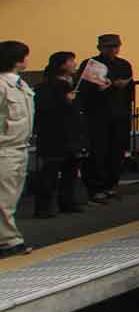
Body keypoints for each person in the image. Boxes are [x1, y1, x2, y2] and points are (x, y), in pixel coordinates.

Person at [29, 53, 87, 217]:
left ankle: (67, 201)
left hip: (73, 134)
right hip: (54, 134)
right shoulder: (46, 87)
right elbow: (44, 109)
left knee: (71, 170)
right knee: (50, 172)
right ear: (62, 66)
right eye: (71, 62)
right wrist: (65, 101)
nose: (74, 64)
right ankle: (43, 207)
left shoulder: (74, 84)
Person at [78, 33, 133, 202]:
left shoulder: (124, 64)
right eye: (109, 47)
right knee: (97, 151)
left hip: (120, 113)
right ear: (100, 48)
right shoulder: (91, 64)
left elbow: (130, 88)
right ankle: (95, 187)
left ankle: (111, 185)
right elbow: (83, 89)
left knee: (116, 151)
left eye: (116, 46)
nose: (113, 50)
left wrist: (123, 87)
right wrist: (105, 87)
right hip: (97, 114)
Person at [0, 40, 33, 258]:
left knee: (11, 196)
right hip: (5, 149)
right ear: (17, 59)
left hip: (20, 147)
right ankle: (9, 242)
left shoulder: (20, 85)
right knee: (4, 198)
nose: (28, 59)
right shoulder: (2, 86)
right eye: (25, 55)